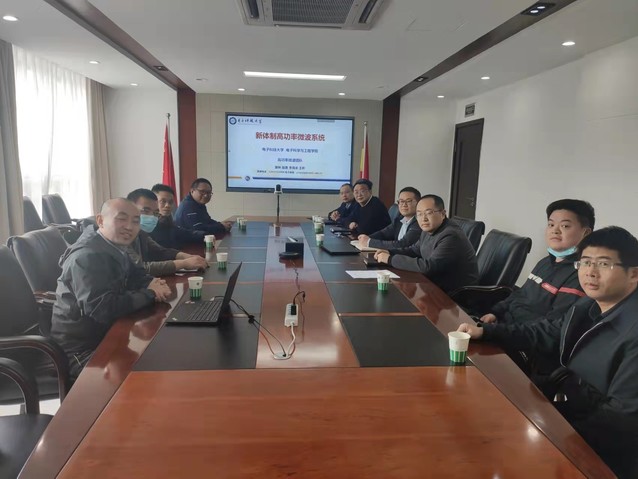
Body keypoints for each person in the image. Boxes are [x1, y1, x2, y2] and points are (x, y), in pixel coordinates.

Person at [457, 227, 638, 478]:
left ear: (634, 274)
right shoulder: (588, 304)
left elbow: (619, 422)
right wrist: (486, 332)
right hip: (565, 410)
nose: (590, 272)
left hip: (599, 453)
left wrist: (547, 437)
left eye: (604, 264)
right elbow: (547, 331)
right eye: (585, 262)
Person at [50, 198, 172, 379]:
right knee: (149, 372)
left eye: (135, 221)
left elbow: (136, 275)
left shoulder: (112, 246)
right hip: (82, 351)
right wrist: (150, 293)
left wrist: (151, 283)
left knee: (161, 352)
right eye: (121, 219)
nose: (129, 227)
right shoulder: (88, 256)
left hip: (107, 334)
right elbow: (102, 308)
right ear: (100, 220)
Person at [481, 199, 595, 326]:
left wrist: (496, 331)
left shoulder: (581, 275)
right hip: (504, 326)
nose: (555, 230)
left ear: (586, 233)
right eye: (551, 224)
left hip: (518, 334)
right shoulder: (546, 262)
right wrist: (495, 313)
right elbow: (520, 294)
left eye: (565, 226)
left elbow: (550, 329)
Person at [375, 194, 478, 293]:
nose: (423, 218)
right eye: (419, 214)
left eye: (429, 213)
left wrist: (390, 259)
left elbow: (429, 267)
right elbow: (414, 250)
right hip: (433, 286)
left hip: (454, 294)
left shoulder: (450, 235)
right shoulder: (428, 229)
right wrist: (389, 252)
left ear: (443, 214)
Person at [127, 188, 208, 276]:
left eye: (155, 213)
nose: (151, 216)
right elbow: (138, 268)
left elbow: (160, 251)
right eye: (146, 210)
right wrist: (183, 263)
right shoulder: (120, 235)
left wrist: (187, 257)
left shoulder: (141, 232)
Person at [357, 186, 422, 252]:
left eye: (408, 201)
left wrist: (369, 242)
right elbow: (384, 233)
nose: (404, 205)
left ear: (418, 203)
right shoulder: (399, 219)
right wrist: (366, 238)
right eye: (401, 201)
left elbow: (402, 244)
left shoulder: (419, 222)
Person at [149, 183, 206, 249]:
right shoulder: (148, 226)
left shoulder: (167, 222)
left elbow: (188, 234)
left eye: (170, 202)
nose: (167, 205)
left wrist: (206, 235)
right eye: (163, 201)